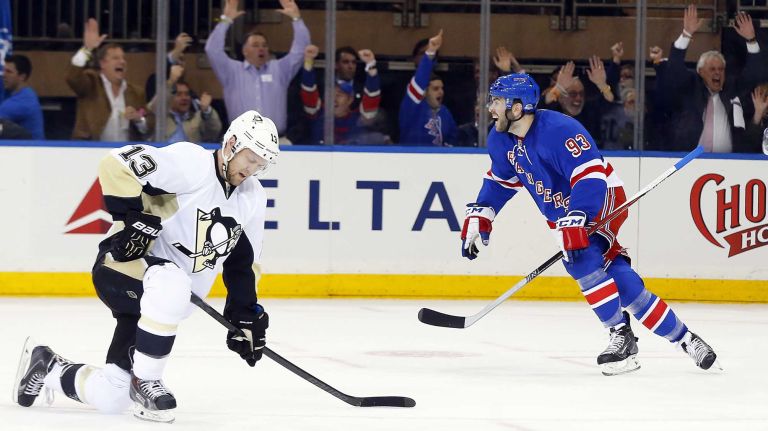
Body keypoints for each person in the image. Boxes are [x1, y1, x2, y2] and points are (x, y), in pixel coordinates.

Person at [13, 110, 279, 423]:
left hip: (160, 303)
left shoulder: (253, 197)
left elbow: (244, 261)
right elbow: (117, 162)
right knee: (173, 282)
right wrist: (132, 219)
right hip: (124, 266)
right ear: (232, 143)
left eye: (261, 164)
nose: (253, 169)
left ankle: (48, 367)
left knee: (112, 396)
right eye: (250, 159)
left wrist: (245, 315)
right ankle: (147, 381)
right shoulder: (192, 163)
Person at [461, 73, 719, 376]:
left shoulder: (561, 130)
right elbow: (501, 181)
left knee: (579, 255)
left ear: (517, 108)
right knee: (624, 284)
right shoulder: (500, 139)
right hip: (563, 213)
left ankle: (619, 334)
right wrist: (484, 211)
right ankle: (686, 339)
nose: (491, 107)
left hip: (601, 197)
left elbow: (590, 176)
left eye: (497, 101)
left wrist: (578, 214)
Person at [658, 5, 766, 152]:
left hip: (730, 164)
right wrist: (686, 33)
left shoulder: (732, 88)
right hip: (690, 162)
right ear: (701, 72)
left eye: (721, 69)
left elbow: (754, 74)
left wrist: (751, 40)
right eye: (712, 69)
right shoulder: (690, 86)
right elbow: (674, 68)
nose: (717, 73)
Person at [205, 0, 309, 136]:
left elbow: (300, 51)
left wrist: (297, 19)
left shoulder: (279, 69)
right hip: (241, 141)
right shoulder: (231, 71)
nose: (261, 48)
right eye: (255, 45)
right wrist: (226, 20)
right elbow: (212, 50)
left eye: (264, 45)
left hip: (274, 142)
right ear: (244, 51)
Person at [66, 18, 151, 141]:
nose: (122, 61)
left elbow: (148, 124)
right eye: (115, 58)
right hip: (90, 152)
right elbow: (72, 77)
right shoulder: (91, 84)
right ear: (102, 64)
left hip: (125, 155)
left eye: (123, 58)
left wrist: (139, 119)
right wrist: (87, 50)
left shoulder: (137, 92)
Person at [300, 44, 384, 145]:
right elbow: (309, 92)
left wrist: (371, 65)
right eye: (331, 95)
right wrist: (308, 61)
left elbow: (371, 98)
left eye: (339, 95)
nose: (334, 98)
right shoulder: (318, 114)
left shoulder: (358, 118)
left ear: (350, 99)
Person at [398, 30, 457, 146]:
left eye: (442, 88)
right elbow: (419, 83)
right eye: (435, 89)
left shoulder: (445, 112)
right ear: (424, 92)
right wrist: (430, 53)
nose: (441, 92)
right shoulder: (411, 107)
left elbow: (453, 138)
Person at [148, 64, 223, 143]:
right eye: (179, 94)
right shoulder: (160, 118)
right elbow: (154, 108)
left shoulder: (197, 118)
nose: (184, 98)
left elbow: (214, 131)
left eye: (187, 94)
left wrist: (207, 111)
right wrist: (170, 82)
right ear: (170, 97)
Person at [0, 54, 44, 139]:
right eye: (4, 71)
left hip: (31, 150)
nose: (4, 75)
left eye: (9, 72)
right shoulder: (26, 93)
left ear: (22, 77)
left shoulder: (23, 101)